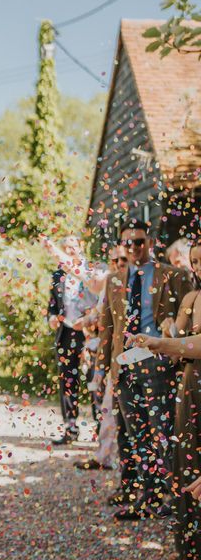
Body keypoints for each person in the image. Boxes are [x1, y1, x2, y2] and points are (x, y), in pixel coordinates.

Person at [95, 219, 193, 520]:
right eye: (129, 243)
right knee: (136, 435)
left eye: (140, 241)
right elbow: (107, 328)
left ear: (149, 242)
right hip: (124, 365)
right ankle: (147, 497)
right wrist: (102, 369)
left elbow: (187, 319)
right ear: (122, 245)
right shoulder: (114, 280)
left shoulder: (173, 276)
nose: (135, 247)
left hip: (157, 361)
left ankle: (172, 497)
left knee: (163, 433)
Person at [75, 246, 129, 471]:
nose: (118, 264)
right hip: (116, 357)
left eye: (123, 260)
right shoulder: (111, 283)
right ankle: (104, 456)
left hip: (144, 357)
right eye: (114, 260)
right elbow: (103, 319)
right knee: (108, 409)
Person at [46, 236, 99, 445]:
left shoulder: (91, 271)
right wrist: (51, 316)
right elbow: (53, 304)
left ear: (81, 247)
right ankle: (70, 428)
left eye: (73, 248)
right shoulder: (58, 275)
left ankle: (100, 428)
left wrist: (89, 322)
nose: (69, 251)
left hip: (89, 332)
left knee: (94, 378)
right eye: (65, 248)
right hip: (66, 332)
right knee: (68, 380)